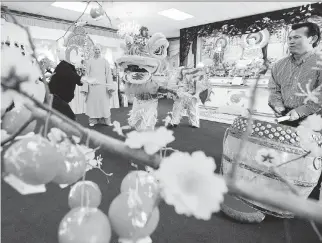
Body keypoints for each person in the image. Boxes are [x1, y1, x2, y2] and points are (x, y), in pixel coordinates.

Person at [268, 22, 322, 127]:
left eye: (296, 37)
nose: (291, 42)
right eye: (289, 38)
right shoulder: (278, 65)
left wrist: (299, 112)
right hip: (284, 117)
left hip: (314, 120)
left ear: (313, 39)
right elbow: (274, 90)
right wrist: (278, 106)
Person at [48, 45, 94, 121]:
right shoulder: (64, 66)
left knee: (66, 120)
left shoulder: (68, 67)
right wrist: (88, 80)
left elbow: (78, 81)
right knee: (71, 120)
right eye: (78, 55)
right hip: (55, 100)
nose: (80, 58)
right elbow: (77, 78)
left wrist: (84, 75)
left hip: (57, 100)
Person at [81, 45, 115, 127]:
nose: (97, 51)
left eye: (98, 49)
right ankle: (93, 120)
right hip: (92, 87)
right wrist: (85, 88)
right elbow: (87, 75)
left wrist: (109, 87)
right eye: (95, 49)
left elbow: (108, 75)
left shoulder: (105, 61)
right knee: (93, 104)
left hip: (103, 87)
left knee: (104, 104)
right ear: (93, 50)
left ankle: (106, 121)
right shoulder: (90, 61)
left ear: (101, 50)